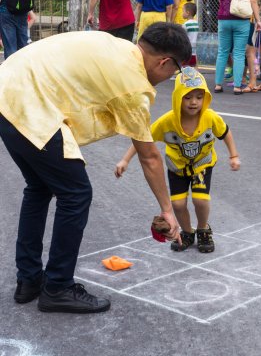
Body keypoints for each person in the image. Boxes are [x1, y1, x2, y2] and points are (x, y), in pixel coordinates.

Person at [0, 22, 191, 314]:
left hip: (7, 92)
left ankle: (29, 281)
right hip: (29, 102)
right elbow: (149, 156)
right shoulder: (132, 82)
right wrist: (168, 210)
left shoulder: (118, 46)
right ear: (164, 61)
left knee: (39, 187)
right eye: (174, 72)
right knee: (76, 194)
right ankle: (58, 287)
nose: (169, 79)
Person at [115, 67, 240, 253]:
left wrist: (234, 155)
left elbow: (225, 133)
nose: (193, 102)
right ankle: (188, 232)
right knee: (178, 204)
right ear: (177, 98)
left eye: (199, 97)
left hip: (202, 164)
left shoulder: (210, 117)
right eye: (187, 97)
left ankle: (203, 229)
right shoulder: (168, 121)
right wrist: (125, 160)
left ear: (205, 98)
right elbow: (143, 139)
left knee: (200, 199)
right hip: (177, 168)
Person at [214, 0, 261, 95]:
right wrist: (258, 20)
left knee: (222, 52)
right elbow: (253, 1)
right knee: (239, 53)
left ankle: (218, 85)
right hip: (241, 20)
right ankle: (236, 86)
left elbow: (219, 0)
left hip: (223, 19)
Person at [182, 2, 199, 67]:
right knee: (194, 65)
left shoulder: (186, 24)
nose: (182, 13)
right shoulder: (196, 23)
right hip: (194, 49)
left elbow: (182, 36)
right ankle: (197, 75)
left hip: (187, 49)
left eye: (183, 11)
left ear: (188, 13)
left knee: (185, 66)